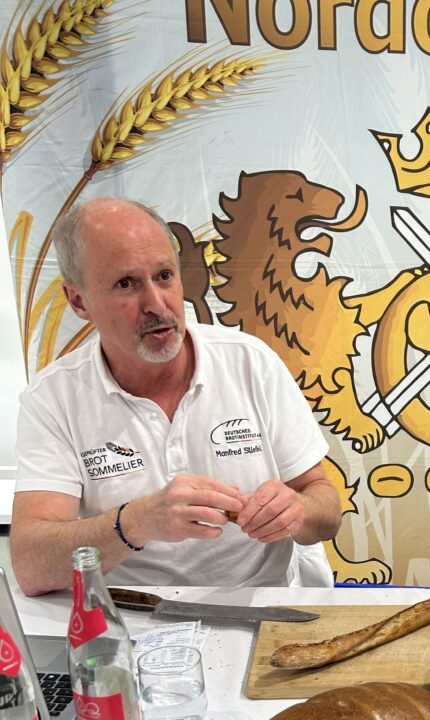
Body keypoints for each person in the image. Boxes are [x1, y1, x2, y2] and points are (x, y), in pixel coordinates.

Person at [11, 196, 342, 595]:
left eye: (165, 276)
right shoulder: (53, 398)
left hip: (263, 602)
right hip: (132, 616)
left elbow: (325, 508)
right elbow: (31, 566)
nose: (156, 304)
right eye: (126, 284)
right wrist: (136, 522)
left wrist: (298, 511)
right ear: (79, 301)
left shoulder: (250, 362)